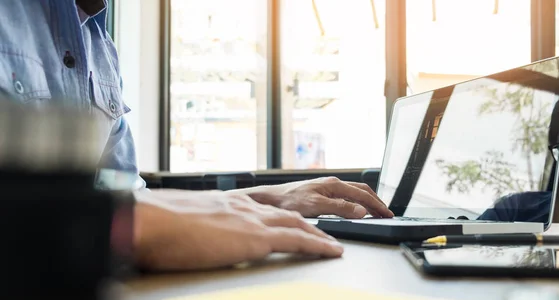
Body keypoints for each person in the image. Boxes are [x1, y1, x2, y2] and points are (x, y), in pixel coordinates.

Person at [0, 0, 393, 270]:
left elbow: (131, 201)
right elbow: (129, 220)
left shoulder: (99, 45)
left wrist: (266, 199)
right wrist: (129, 230)